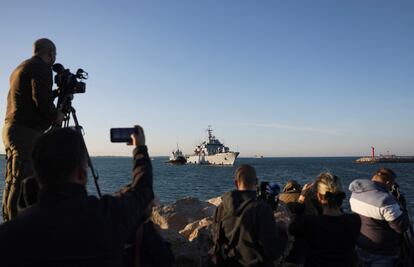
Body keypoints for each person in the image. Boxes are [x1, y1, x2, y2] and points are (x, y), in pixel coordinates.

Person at [0, 125, 154, 266]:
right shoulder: (109, 215)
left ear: (38, 175)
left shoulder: (10, 235)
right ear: (81, 174)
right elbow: (143, 190)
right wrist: (139, 148)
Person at [2, 38, 64, 221]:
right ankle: (15, 228)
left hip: (10, 128)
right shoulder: (41, 68)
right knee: (23, 181)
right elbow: (41, 101)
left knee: (12, 179)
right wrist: (56, 116)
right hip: (25, 131)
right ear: (50, 53)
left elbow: (30, 97)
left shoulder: (21, 67)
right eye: (55, 55)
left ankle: (7, 221)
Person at [210, 164, 287, 266]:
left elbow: (216, 240)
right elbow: (272, 251)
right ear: (256, 182)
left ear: (236, 183)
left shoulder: (221, 208)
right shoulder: (262, 209)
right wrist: (283, 234)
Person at [289, 172, 361, 267]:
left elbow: (292, 228)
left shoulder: (309, 222)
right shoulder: (354, 220)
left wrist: (302, 198)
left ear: (318, 196)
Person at [349, 168, 410, 267]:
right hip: (382, 252)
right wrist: (400, 206)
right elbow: (401, 227)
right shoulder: (385, 200)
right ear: (388, 182)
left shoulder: (355, 193)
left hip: (360, 246)